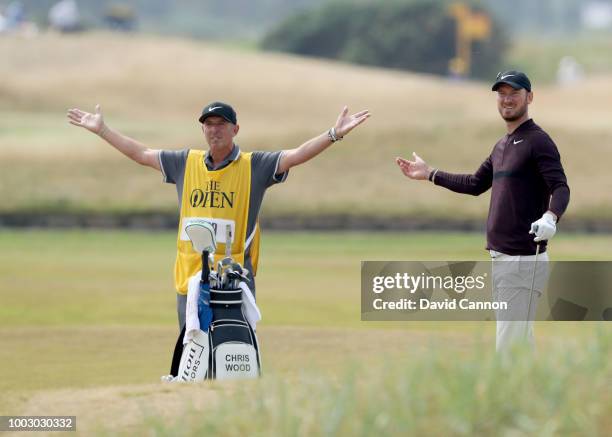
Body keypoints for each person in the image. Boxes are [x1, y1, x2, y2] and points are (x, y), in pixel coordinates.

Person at [67, 101, 370, 330]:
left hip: (234, 278)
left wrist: (333, 134)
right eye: (208, 124)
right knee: (193, 352)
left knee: (233, 350)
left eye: (221, 123)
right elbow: (141, 154)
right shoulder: (186, 162)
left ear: (235, 129)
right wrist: (103, 130)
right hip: (190, 278)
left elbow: (297, 154)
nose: (214, 129)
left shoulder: (255, 165)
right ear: (202, 129)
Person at [396, 70, 570, 352]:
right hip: (502, 259)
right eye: (501, 94)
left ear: (530, 97)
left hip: (523, 261)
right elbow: (475, 183)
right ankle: (537, 394)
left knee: (508, 348)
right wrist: (430, 173)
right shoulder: (501, 146)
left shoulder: (538, 141)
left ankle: (509, 397)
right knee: (520, 345)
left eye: (514, 93)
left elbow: (560, 187)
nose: (507, 99)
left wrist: (551, 217)